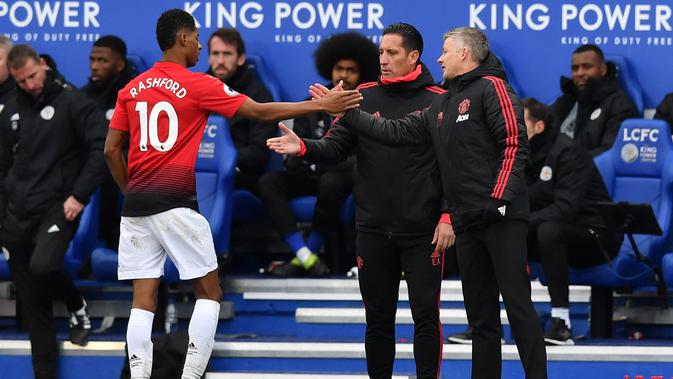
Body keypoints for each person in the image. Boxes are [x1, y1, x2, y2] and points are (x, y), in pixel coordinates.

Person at [278, 26, 549, 378]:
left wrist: (495, 202)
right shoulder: (442, 101)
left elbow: (514, 144)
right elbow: (394, 131)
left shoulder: (488, 88)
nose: (440, 58)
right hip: (456, 222)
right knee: (479, 320)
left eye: (445, 51)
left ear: (463, 54)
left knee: (517, 309)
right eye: (381, 53)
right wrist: (336, 122)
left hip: (488, 219)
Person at [104, 9, 362, 379]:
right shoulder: (198, 84)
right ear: (181, 40)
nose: (199, 48)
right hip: (176, 204)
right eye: (195, 39)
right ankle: (191, 376)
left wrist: (130, 189)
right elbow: (260, 111)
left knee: (143, 302)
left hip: (137, 207)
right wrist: (321, 105)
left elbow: (111, 150)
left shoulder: (131, 88)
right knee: (209, 294)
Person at [267, 23, 454, 379]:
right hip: (372, 227)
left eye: (392, 53)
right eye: (380, 52)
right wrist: (303, 147)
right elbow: (336, 148)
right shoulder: (362, 94)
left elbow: (451, 167)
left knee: (426, 318)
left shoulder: (437, 99)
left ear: (413, 56)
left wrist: (446, 215)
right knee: (377, 320)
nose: (382, 60)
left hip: (422, 230)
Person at [0, 44, 108, 378]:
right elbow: (3, 166)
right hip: (17, 213)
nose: (29, 85)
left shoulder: (73, 102)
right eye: (21, 81)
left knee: (44, 266)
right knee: (34, 307)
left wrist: (79, 196)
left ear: (43, 65)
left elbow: (101, 150)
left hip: (59, 207)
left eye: (32, 76)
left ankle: (77, 305)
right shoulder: (10, 110)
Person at [258, 31, 379, 277]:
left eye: (351, 70)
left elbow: (359, 152)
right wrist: (301, 162)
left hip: (340, 179)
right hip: (309, 173)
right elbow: (298, 141)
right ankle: (305, 256)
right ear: (329, 69)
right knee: (269, 182)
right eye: (338, 68)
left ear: (362, 73)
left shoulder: (365, 102)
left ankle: (306, 255)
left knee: (333, 180)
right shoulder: (313, 100)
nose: (343, 74)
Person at [522, 97, 623, 345]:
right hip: (554, 231)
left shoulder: (567, 151)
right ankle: (506, 319)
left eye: (519, 122)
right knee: (499, 233)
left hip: (597, 236)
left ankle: (561, 321)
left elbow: (565, 209)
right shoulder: (521, 154)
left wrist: (521, 220)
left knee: (547, 230)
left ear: (538, 127)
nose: (510, 128)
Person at [82, 35, 136, 249]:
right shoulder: (80, 98)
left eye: (102, 61)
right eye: (92, 60)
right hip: (87, 169)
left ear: (120, 65)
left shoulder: (135, 96)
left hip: (120, 173)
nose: (95, 66)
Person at [207, 28, 277, 191]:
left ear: (241, 58)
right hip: (197, 170)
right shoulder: (196, 90)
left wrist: (224, 156)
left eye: (227, 54)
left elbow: (259, 153)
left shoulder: (258, 96)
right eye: (215, 54)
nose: (221, 60)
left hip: (240, 175)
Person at [550, 44, 638, 157]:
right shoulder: (566, 101)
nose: (580, 73)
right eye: (575, 68)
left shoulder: (620, 105)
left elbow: (611, 152)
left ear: (602, 69)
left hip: (588, 172)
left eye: (586, 66)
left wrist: (568, 163)